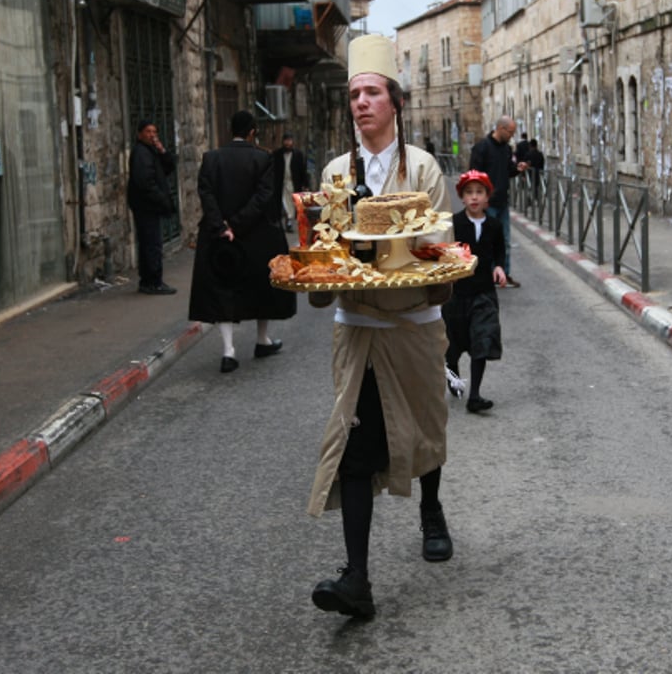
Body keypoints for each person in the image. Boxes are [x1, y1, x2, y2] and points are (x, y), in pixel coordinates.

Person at [307, 34, 455, 620]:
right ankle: (357, 579)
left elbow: (439, 251)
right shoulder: (336, 174)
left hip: (414, 323)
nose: (361, 103)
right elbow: (327, 251)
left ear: (394, 101)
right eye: (354, 95)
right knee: (355, 442)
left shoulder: (421, 167)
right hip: (357, 323)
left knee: (423, 425)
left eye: (371, 92)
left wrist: (410, 256)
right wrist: (324, 274)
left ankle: (432, 509)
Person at [188, 111, 296, 374]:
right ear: (252, 132)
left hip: (219, 237)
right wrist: (237, 224)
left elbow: (206, 193)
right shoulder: (263, 158)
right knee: (263, 286)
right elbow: (263, 197)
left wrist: (222, 225)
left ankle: (228, 351)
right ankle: (262, 340)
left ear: (230, 130)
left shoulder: (211, 158)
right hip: (256, 234)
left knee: (222, 288)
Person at [443, 170, 507, 414]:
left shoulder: (494, 224)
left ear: (487, 197)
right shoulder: (454, 223)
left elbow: (499, 250)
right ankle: (453, 373)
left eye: (479, 192)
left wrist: (499, 267)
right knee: (453, 343)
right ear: (462, 197)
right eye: (469, 192)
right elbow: (444, 251)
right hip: (456, 294)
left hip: (483, 293)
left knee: (482, 338)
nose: (474, 197)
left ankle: (475, 395)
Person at [469, 116, 528, 287]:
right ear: (500, 129)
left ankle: (503, 274)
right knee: (486, 242)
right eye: (510, 132)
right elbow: (474, 175)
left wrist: (518, 169)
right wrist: (480, 199)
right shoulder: (482, 148)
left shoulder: (506, 149)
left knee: (505, 241)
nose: (511, 136)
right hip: (487, 204)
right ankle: (485, 275)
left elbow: (508, 171)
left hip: (502, 202)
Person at [127, 120, 177, 295]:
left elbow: (169, 167)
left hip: (149, 204)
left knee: (150, 243)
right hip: (146, 205)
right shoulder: (141, 153)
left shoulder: (151, 151)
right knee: (151, 243)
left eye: (154, 131)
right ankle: (153, 281)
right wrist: (161, 198)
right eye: (148, 131)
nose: (152, 135)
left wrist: (163, 150)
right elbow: (144, 182)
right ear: (140, 134)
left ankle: (149, 280)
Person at [271, 132, 309, 232]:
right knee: (282, 202)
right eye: (286, 141)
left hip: (293, 183)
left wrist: (305, 184)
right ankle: (282, 222)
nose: (288, 143)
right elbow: (272, 170)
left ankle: (289, 221)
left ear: (292, 142)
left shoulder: (298, 155)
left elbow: (303, 170)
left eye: (289, 141)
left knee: (291, 204)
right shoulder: (277, 154)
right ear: (283, 142)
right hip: (281, 183)